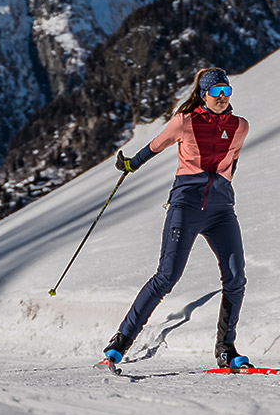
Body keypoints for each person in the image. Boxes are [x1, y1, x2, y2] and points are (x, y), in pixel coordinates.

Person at [99, 67, 252, 372]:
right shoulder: (185, 121)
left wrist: (223, 185)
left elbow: (232, 161)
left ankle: (226, 348)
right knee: (167, 276)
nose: (222, 98)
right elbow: (156, 145)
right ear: (203, 94)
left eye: (226, 92)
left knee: (236, 278)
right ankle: (119, 345)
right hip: (186, 206)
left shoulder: (240, 126)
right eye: (216, 92)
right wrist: (130, 164)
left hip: (221, 210)